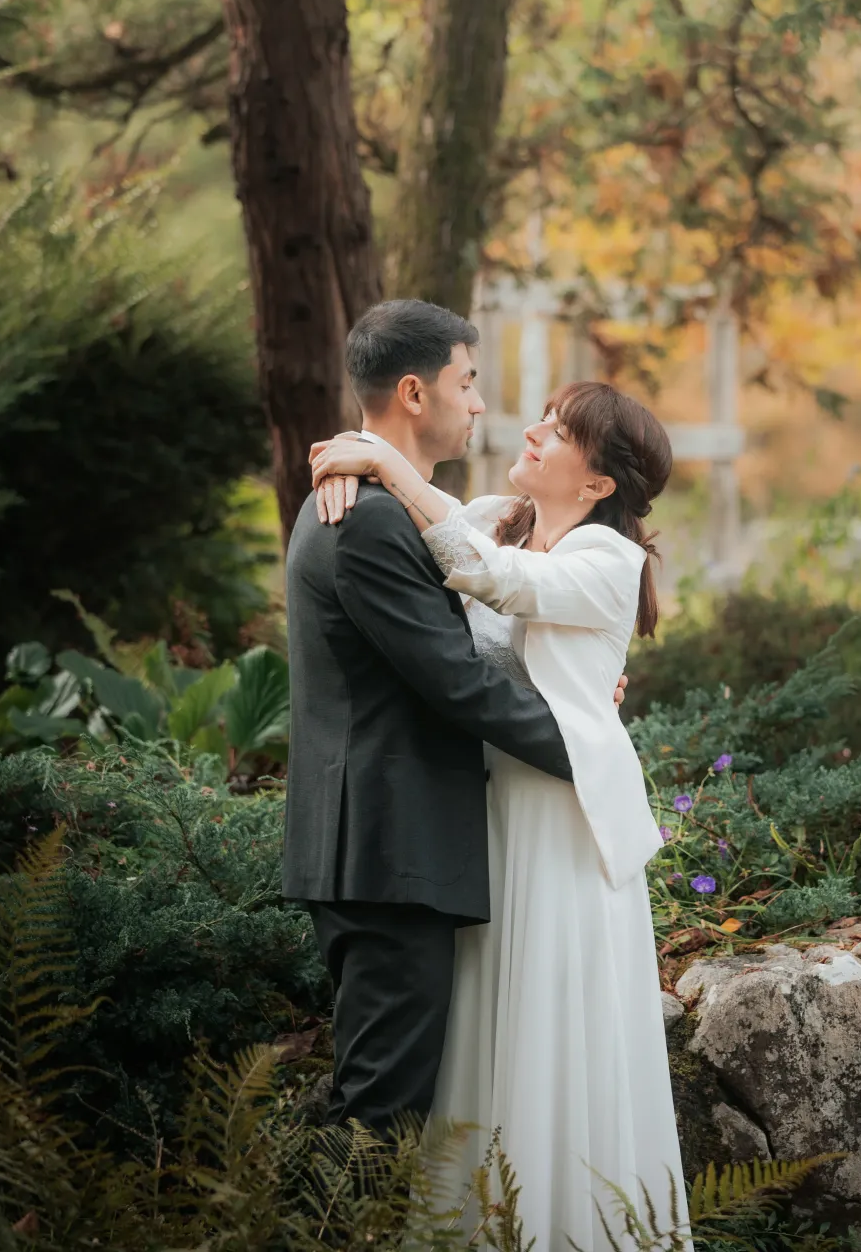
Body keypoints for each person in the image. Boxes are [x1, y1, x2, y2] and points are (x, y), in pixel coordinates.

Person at [308, 378, 690, 1251]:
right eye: (543, 419)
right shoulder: (492, 516)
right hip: (485, 817)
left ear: (597, 483)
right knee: (485, 1021)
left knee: (552, 1023)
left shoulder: (609, 560)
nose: (532, 433)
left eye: (558, 432)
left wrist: (380, 463)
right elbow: (435, 534)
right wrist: (353, 463)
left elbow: (491, 580)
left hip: (563, 821)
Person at [282, 299, 579, 1138]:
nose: (479, 403)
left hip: (383, 850)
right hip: (385, 850)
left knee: (384, 1100)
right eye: (467, 381)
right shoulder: (364, 519)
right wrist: (584, 743)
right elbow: (454, 681)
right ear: (415, 393)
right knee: (378, 1116)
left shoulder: (377, 502)